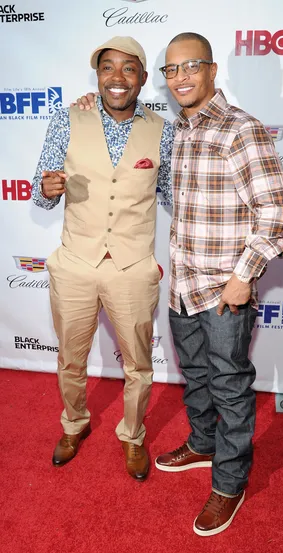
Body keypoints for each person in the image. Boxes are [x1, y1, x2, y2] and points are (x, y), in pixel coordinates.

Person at [76, 32, 283, 536]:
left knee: (230, 385)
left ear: (213, 70)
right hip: (183, 287)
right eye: (171, 70)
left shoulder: (241, 130)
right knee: (196, 375)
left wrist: (243, 279)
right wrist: (90, 109)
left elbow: (278, 214)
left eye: (190, 66)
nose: (180, 78)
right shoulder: (179, 130)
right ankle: (202, 443)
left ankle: (230, 481)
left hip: (224, 290)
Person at [32, 36, 173, 481]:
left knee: (138, 364)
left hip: (132, 266)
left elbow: (172, 194)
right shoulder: (67, 117)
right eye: (107, 68)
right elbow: (44, 184)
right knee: (70, 358)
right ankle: (74, 424)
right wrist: (46, 189)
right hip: (75, 260)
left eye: (128, 69)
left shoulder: (163, 129)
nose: (117, 78)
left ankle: (133, 434)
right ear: (97, 75)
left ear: (143, 79)